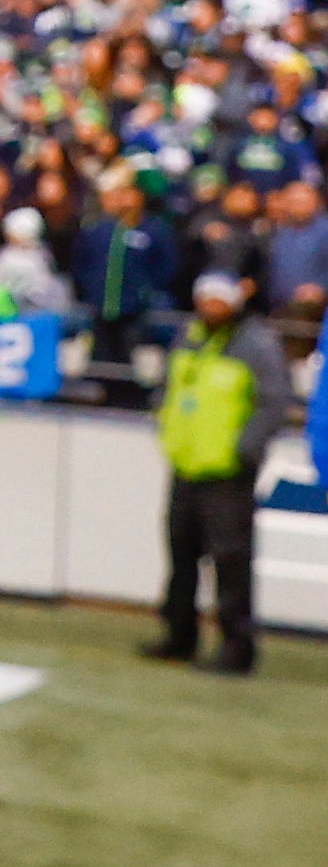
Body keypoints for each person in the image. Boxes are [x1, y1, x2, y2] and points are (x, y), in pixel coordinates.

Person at [149, 265, 295, 674]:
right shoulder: (189, 337)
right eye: (205, 298)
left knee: (230, 560)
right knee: (181, 554)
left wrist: (245, 450)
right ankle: (180, 634)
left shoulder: (257, 344)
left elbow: (273, 402)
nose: (210, 306)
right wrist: (166, 427)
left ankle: (237, 646)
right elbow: (168, 386)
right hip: (186, 464)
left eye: (218, 299)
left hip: (228, 470)